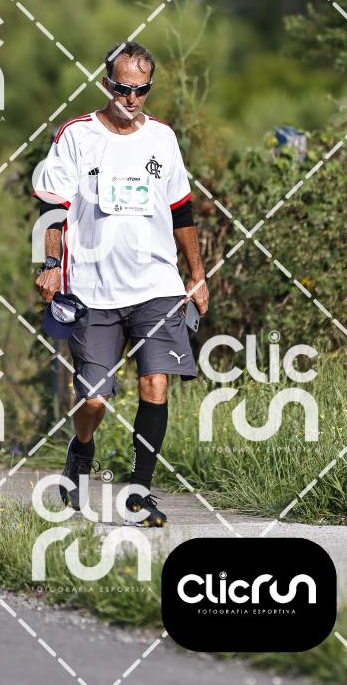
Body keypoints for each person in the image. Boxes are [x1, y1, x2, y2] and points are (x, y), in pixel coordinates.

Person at [34, 41, 209, 526]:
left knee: (156, 382)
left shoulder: (163, 139)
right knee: (94, 399)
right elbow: (52, 208)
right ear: (105, 83)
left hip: (156, 283)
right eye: (122, 88)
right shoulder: (76, 136)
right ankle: (81, 450)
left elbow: (182, 210)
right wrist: (51, 264)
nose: (131, 98)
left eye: (141, 90)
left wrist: (196, 275)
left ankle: (139, 493)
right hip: (92, 287)